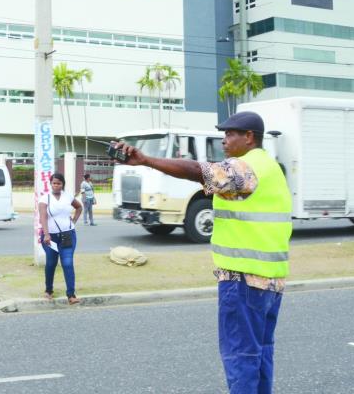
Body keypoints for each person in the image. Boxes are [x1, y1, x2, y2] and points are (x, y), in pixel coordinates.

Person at [113, 111, 291, 394]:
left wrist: (146, 160)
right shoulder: (269, 167)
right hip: (270, 282)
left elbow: (201, 171)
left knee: (241, 357)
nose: (224, 140)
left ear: (249, 137)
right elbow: (211, 181)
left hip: (243, 280)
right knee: (259, 355)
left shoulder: (248, 166)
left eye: (231, 134)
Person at [38, 172, 84, 305]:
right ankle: (49, 290)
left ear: (63, 184)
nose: (56, 185)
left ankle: (71, 295)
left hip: (68, 235)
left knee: (68, 263)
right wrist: (46, 234)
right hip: (50, 237)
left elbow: (79, 207)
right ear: (50, 184)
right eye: (54, 183)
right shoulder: (44, 198)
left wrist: (74, 221)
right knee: (51, 263)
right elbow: (43, 217)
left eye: (59, 183)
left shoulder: (68, 196)